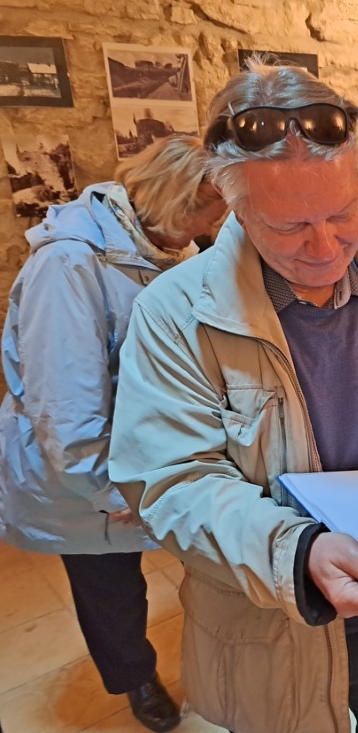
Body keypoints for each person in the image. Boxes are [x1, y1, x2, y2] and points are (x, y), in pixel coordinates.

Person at [107, 62, 358, 733]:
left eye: (344, 214)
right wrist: (298, 553)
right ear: (233, 204)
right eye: (289, 227)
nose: (324, 248)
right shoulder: (174, 315)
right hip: (275, 622)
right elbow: (174, 482)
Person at [0, 134, 226, 733]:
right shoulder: (69, 264)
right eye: (211, 211)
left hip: (145, 457)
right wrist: (106, 487)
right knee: (109, 586)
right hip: (86, 474)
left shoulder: (164, 249)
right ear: (180, 199)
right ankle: (134, 679)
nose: (216, 225)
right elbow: (64, 403)